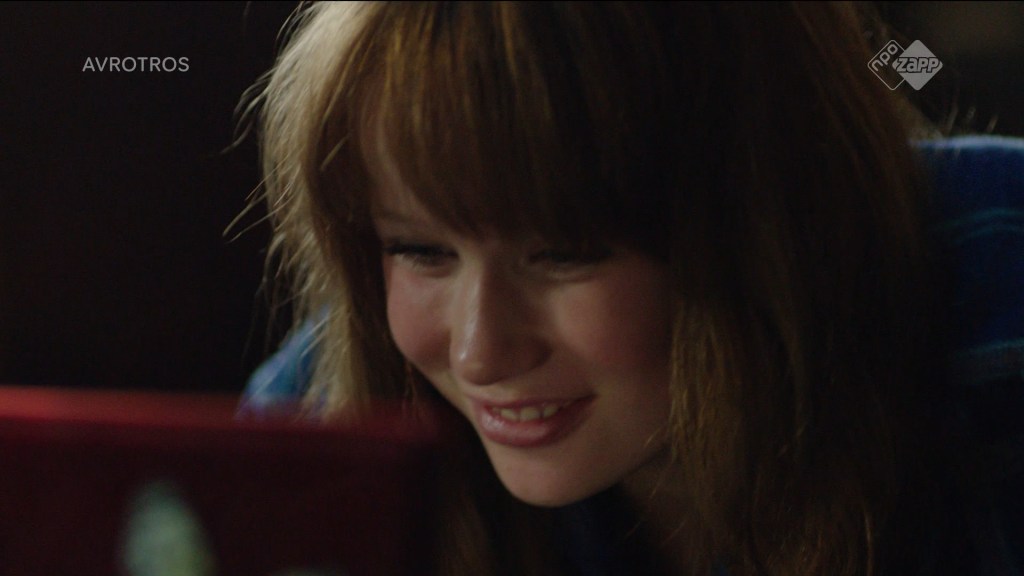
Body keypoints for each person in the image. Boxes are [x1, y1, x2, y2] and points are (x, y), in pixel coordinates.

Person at [240, 2, 1024, 575]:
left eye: (563, 253)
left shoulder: (997, 289)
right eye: (420, 250)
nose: (479, 353)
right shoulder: (320, 425)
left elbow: (912, 64)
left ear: (763, 220)